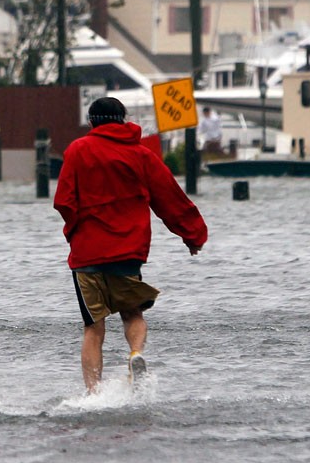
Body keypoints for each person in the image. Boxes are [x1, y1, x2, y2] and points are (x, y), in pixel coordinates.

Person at [53, 97, 208, 393]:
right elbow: (170, 199)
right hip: (127, 250)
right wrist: (192, 236)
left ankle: (93, 393)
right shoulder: (141, 154)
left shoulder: (76, 150)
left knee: (93, 327)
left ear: (91, 121)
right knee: (133, 314)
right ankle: (136, 354)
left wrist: (75, 229)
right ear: (123, 119)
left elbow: (63, 201)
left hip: (86, 253)